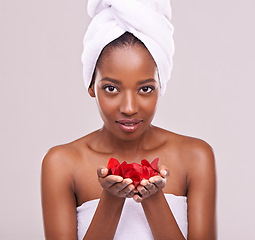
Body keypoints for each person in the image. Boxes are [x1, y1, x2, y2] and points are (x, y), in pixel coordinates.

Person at [41, 1, 217, 239]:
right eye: (112, 88)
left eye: (145, 89)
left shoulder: (196, 157)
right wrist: (111, 199)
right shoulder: (61, 164)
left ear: (160, 86)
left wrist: (154, 200)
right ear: (92, 86)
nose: (129, 108)